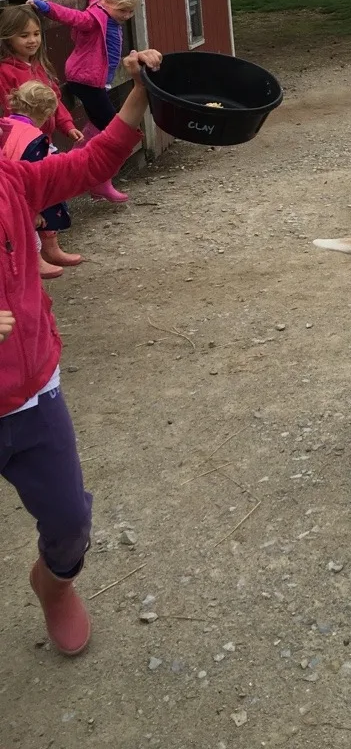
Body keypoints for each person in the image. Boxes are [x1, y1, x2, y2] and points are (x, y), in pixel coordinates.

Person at [0, 48, 161, 656]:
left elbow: (91, 159)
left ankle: (56, 587)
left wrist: (141, 95)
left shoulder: (11, 177)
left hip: (31, 398)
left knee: (69, 525)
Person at [29, 0, 141, 203]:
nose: (126, 15)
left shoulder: (104, 8)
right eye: (123, 10)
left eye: (130, 11)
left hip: (95, 80)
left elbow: (95, 0)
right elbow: (70, 16)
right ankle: (90, 174)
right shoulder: (93, 19)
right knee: (113, 127)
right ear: (108, 3)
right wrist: (46, 7)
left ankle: (86, 170)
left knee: (101, 125)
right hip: (86, 79)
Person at [1, 81, 84, 278]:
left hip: (5, 186)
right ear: (46, 114)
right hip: (18, 193)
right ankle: (35, 262)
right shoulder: (33, 138)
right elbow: (33, 180)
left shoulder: (6, 125)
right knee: (28, 230)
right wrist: (35, 209)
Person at [0, 4, 85, 148]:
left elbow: (54, 101)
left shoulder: (39, 67)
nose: (32, 40)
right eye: (24, 35)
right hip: (23, 144)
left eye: (36, 33)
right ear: (9, 39)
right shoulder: (5, 72)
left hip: (45, 141)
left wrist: (67, 126)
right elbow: (9, 111)